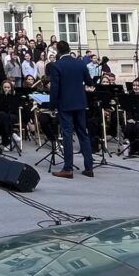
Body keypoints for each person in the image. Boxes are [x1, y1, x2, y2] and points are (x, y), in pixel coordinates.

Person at [48, 40, 95, 179]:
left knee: (67, 134)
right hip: (80, 103)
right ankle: (89, 167)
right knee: (83, 134)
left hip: (65, 105)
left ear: (58, 52)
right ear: (69, 49)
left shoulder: (56, 65)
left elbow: (55, 88)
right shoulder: (80, 63)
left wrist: (52, 106)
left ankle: (68, 168)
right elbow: (89, 82)